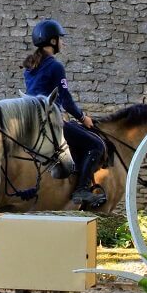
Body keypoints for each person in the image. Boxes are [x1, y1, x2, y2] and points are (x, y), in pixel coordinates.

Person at [23, 19, 108, 210]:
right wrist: (82, 118)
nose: (63, 42)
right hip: (51, 121)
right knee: (96, 144)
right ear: (53, 42)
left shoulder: (30, 67)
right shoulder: (55, 66)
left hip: (33, 119)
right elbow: (66, 98)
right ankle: (82, 189)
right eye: (60, 39)